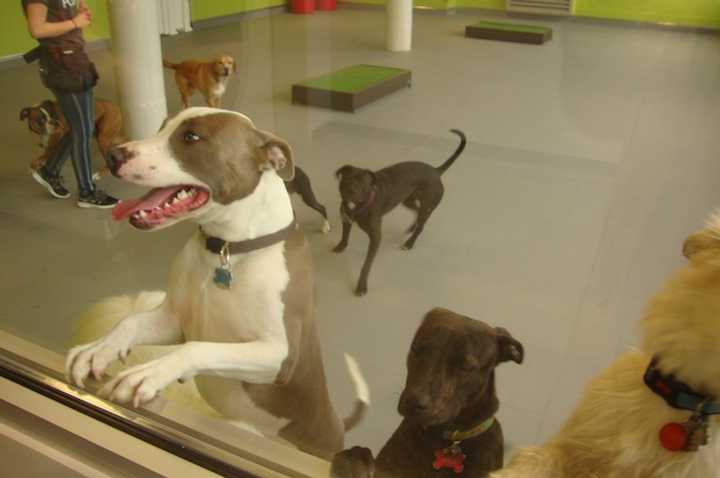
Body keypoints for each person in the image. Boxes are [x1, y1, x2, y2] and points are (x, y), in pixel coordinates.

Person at [23, 0, 118, 209]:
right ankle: (87, 192)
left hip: (76, 61)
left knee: (81, 127)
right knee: (83, 131)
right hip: (61, 66)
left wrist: (79, 12)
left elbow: (66, 10)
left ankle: (50, 171)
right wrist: (75, 22)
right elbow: (37, 29)